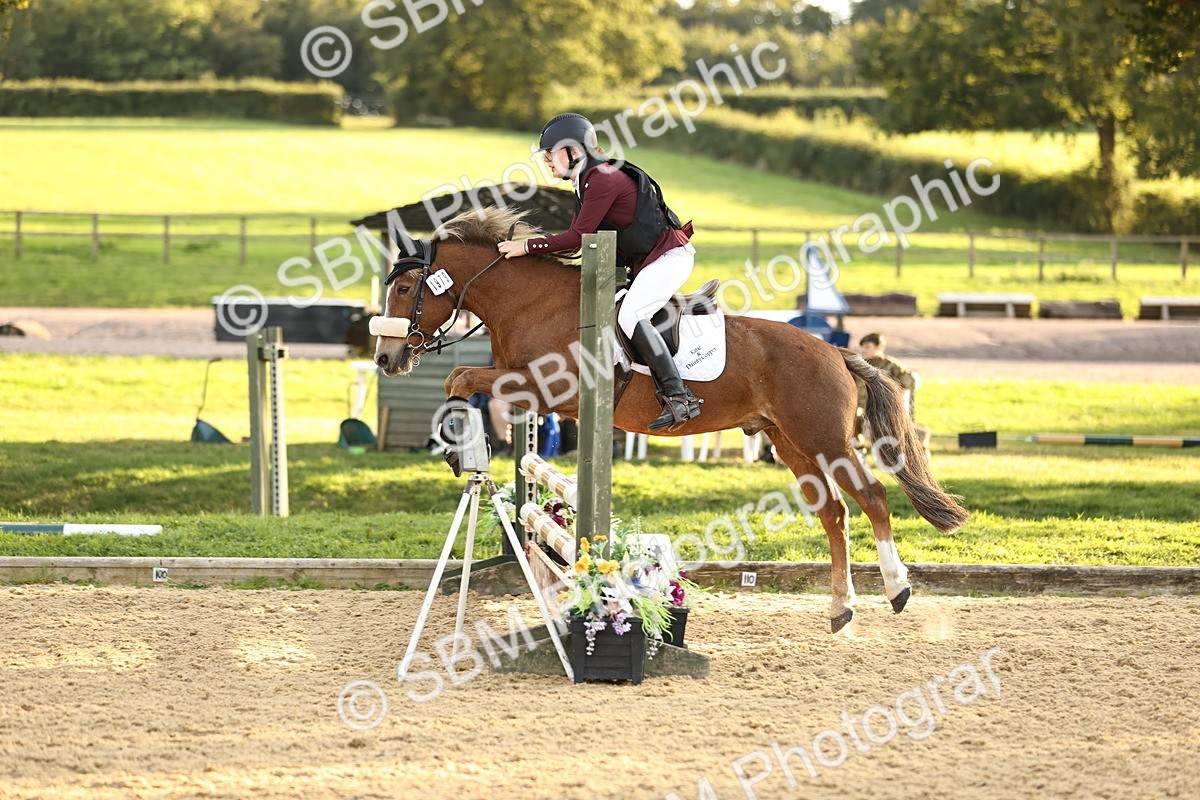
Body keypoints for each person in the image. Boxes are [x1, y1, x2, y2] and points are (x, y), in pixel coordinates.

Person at [496, 112, 700, 432]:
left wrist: (527, 248)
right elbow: (580, 245)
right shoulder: (587, 179)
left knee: (630, 317)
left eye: (551, 154)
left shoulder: (602, 178)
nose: (548, 161)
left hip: (669, 258)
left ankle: (679, 396)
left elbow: (577, 238)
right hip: (648, 261)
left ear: (574, 152)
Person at [853, 332, 930, 454]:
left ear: (878, 347)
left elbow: (910, 381)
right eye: (862, 347)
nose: (863, 350)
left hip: (884, 408)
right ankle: (857, 447)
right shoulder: (858, 365)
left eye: (867, 347)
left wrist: (907, 380)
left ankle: (919, 443)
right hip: (862, 407)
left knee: (898, 429)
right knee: (854, 417)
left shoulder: (888, 364)